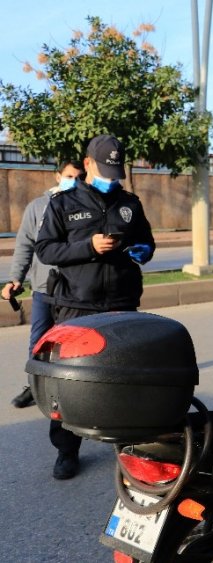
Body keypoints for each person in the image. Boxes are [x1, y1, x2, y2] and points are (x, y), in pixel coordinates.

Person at [35, 135, 155, 480]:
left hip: (122, 303)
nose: (111, 177)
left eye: (116, 172)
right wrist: (88, 246)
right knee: (69, 381)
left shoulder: (129, 202)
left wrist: (143, 250)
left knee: (128, 376)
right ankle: (66, 450)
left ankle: (133, 446)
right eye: (105, 170)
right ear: (87, 164)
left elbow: (147, 240)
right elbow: (46, 250)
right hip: (77, 304)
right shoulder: (62, 203)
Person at [3, 160, 85, 408]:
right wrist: (15, 278)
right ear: (58, 176)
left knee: (73, 342)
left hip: (75, 290)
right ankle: (35, 386)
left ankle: (73, 392)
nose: (75, 180)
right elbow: (24, 246)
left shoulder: (85, 207)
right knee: (39, 340)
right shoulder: (37, 207)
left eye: (79, 177)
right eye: (70, 175)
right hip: (43, 289)